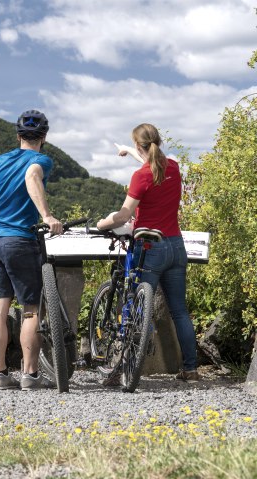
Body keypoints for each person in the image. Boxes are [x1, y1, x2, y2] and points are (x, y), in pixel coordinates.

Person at [97, 123, 199, 383]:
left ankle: (122, 368)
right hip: (176, 246)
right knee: (180, 311)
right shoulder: (173, 167)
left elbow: (124, 215)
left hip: (149, 249)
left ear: (138, 145)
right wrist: (127, 151)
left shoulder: (141, 176)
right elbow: (154, 158)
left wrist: (101, 224)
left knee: (134, 307)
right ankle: (190, 369)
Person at [0, 109, 63, 391]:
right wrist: (47, 216)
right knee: (31, 310)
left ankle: (1, 374)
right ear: (44, 137)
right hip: (20, 241)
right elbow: (32, 177)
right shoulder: (40, 160)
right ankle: (31, 375)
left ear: (18, 136)